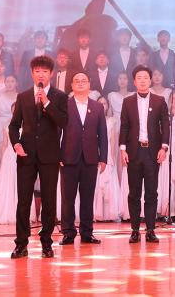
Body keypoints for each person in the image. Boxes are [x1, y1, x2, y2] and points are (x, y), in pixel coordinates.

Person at [9, 55, 68, 259]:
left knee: (49, 201)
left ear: (51, 74)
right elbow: (14, 125)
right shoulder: (23, 96)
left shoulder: (60, 96)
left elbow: (63, 122)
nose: (40, 74)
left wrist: (47, 103)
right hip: (26, 154)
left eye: (44, 71)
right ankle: (21, 243)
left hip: (50, 155)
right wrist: (16, 144)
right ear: (32, 73)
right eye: (37, 71)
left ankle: (46, 243)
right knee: (23, 201)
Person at [119, 65, 170, 243]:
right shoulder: (127, 101)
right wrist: (122, 149)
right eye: (139, 78)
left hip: (152, 152)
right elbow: (124, 126)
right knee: (134, 193)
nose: (142, 81)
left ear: (150, 80)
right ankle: (134, 230)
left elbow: (165, 125)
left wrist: (164, 148)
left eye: (145, 78)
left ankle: (150, 230)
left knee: (151, 193)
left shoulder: (159, 100)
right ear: (134, 81)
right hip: (133, 152)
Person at [60, 72, 108, 245]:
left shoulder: (97, 107)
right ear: (72, 85)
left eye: (83, 81)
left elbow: (102, 134)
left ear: (89, 84)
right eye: (77, 81)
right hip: (68, 158)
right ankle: (68, 232)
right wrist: (58, 155)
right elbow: (57, 131)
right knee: (68, 198)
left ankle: (87, 233)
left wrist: (103, 158)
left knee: (88, 197)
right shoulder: (64, 105)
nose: (80, 83)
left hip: (90, 158)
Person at [93, 97, 122, 222]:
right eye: (99, 103)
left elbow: (113, 140)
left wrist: (113, 157)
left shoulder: (112, 120)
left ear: (108, 106)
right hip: (94, 152)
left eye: (104, 103)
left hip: (108, 154)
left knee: (109, 182)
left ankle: (109, 213)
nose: (102, 105)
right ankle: (96, 213)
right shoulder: (92, 119)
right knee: (96, 183)